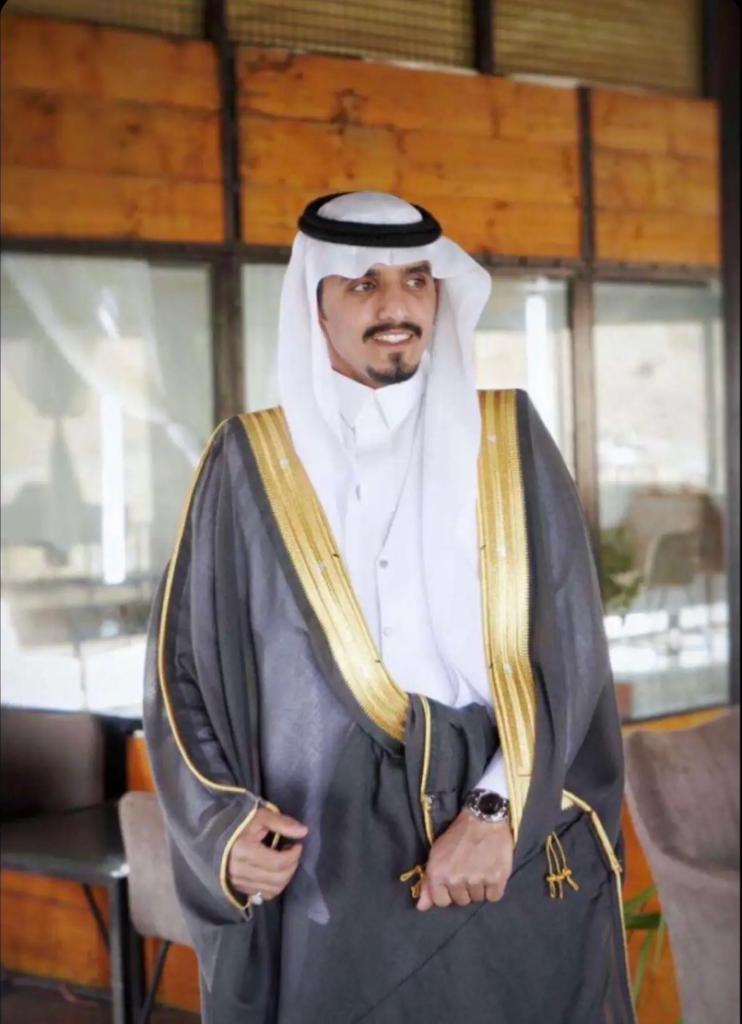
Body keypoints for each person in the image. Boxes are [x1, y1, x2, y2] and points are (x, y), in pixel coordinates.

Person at [144, 191, 635, 1023]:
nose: (396, 306)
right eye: (363, 284)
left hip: (501, 844)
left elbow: (571, 653)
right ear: (317, 305)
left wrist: (495, 811)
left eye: (415, 280)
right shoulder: (249, 461)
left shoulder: (508, 438)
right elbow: (180, 670)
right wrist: (225, 827)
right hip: (329, 860)